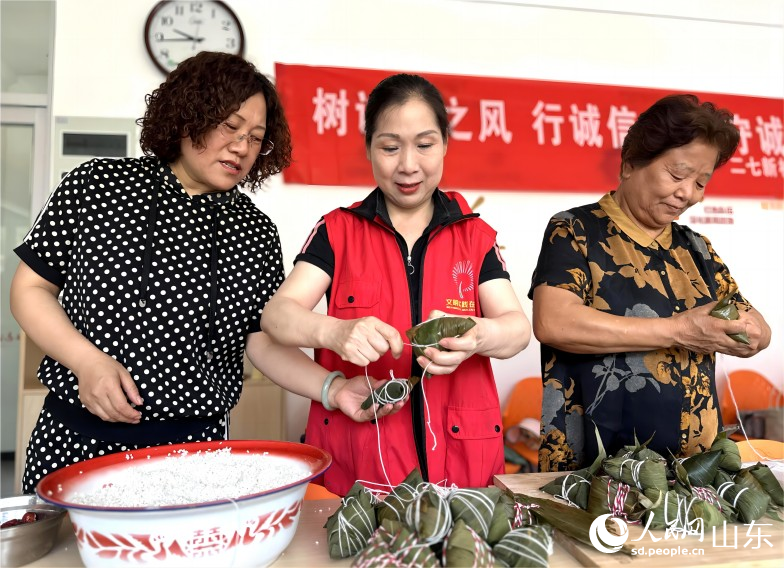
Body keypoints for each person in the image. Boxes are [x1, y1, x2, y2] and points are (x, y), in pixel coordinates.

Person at [11, 51, 395, 494]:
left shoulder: (253, 232)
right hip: (76, 442)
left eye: (256, 137)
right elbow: (29, 288)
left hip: (194, 456)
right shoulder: (97, 186)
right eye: (230, 127)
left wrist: (334, 388)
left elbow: (263, 343)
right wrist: (86, 362)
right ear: (188, 115)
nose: (242, 146)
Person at [260, 73, 531, 496]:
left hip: (463, 470)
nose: (408, 164)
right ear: (369, 148)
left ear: (445, 143)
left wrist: (482, 335)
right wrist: (333, 331)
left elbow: (517, 329)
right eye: (390, 147)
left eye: (425, 144)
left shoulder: (475, 237)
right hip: (362, 471)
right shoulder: (338, 231)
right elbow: (276, 316)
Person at [528, 94, 772, 472]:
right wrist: (679, 330)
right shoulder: (576, 230)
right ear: (630, 164)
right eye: (677, 175)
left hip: (693, 471)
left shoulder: (696, 248)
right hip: (597, 468)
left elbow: (755, 324)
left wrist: (751, 334)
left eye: (700, 183)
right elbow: (554, 323)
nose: (687, 193)